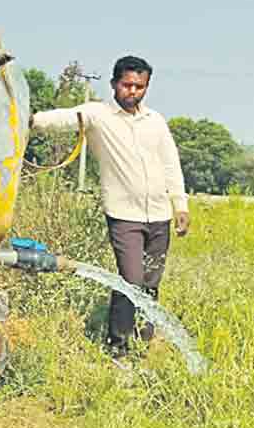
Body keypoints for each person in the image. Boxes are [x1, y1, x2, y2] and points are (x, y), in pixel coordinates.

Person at [29, 55, 190, 355]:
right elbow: (64, 118)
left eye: (139, 86)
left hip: (158, 214)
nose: (133, 91)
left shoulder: (154, 121)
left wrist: (180, 206)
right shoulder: (97, 115)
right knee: (131, 280)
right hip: (124, 215)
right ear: (114, 83)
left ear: (147, 87)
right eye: (127, 84)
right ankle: (118, 347)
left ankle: (144, 342)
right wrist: (30, 121)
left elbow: (170, 164)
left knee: (150, 283)